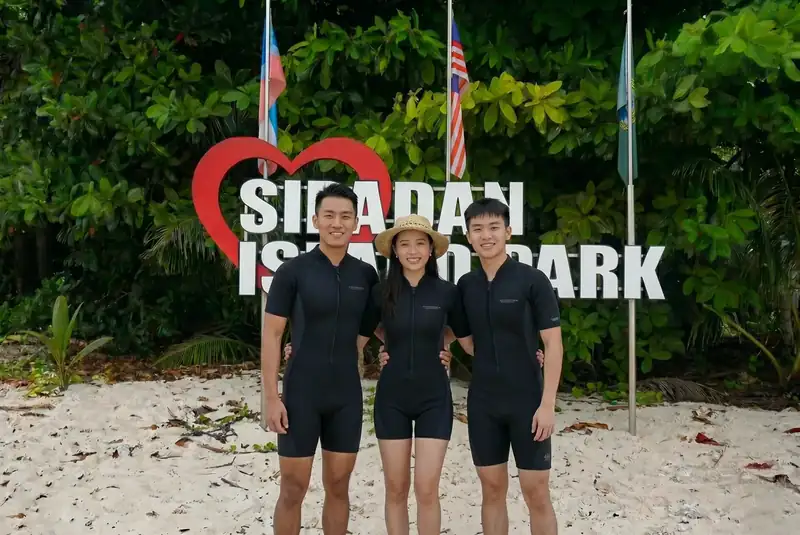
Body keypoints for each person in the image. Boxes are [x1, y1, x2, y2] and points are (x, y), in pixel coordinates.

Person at [382, 198, 563, 535]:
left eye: (494, 227)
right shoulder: (466, 285)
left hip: (527, 399)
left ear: (508, 231)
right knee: (492, 491)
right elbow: (455, 332)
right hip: (483, 402)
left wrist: (547, 404)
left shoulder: (532, 281)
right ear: (468, 236)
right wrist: (433, 349)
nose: (486, 235)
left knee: (536, 492)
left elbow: (553, 343)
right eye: (478, 229)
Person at [261, 182, 380, 535]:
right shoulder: (292, 272)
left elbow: (375, 328)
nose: (337, 223)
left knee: (339, 486)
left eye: (345, 216)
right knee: (293, 488)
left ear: (356, 223)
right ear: (315, 219)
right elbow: (272, 335)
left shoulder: (366, 275)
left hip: (345, 394)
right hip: (301, 393)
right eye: (329, 215)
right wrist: (271, 397)